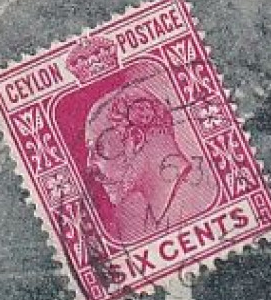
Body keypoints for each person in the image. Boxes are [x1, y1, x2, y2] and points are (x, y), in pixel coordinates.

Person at [82, 72, 213, 245]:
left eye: (99, 148)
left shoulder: (199, 201)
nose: (90, 166)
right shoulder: (158, 218)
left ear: (136, 139)